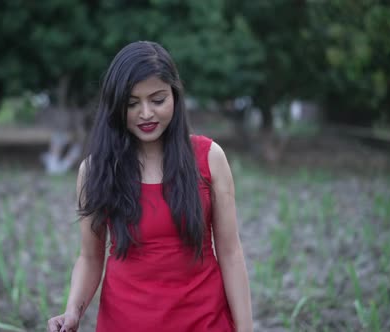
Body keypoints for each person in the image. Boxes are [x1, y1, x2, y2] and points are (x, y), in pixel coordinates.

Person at [47, 41, 253, 332]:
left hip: (204, 320)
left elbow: (231, 253)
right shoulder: (95, 170)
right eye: (132, 104)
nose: (146, 113)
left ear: (175, 97)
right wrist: (72, 312)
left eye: (158, 100)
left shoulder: (209, 158)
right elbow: (90, 257)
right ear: (116, 106)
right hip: (125, 321)